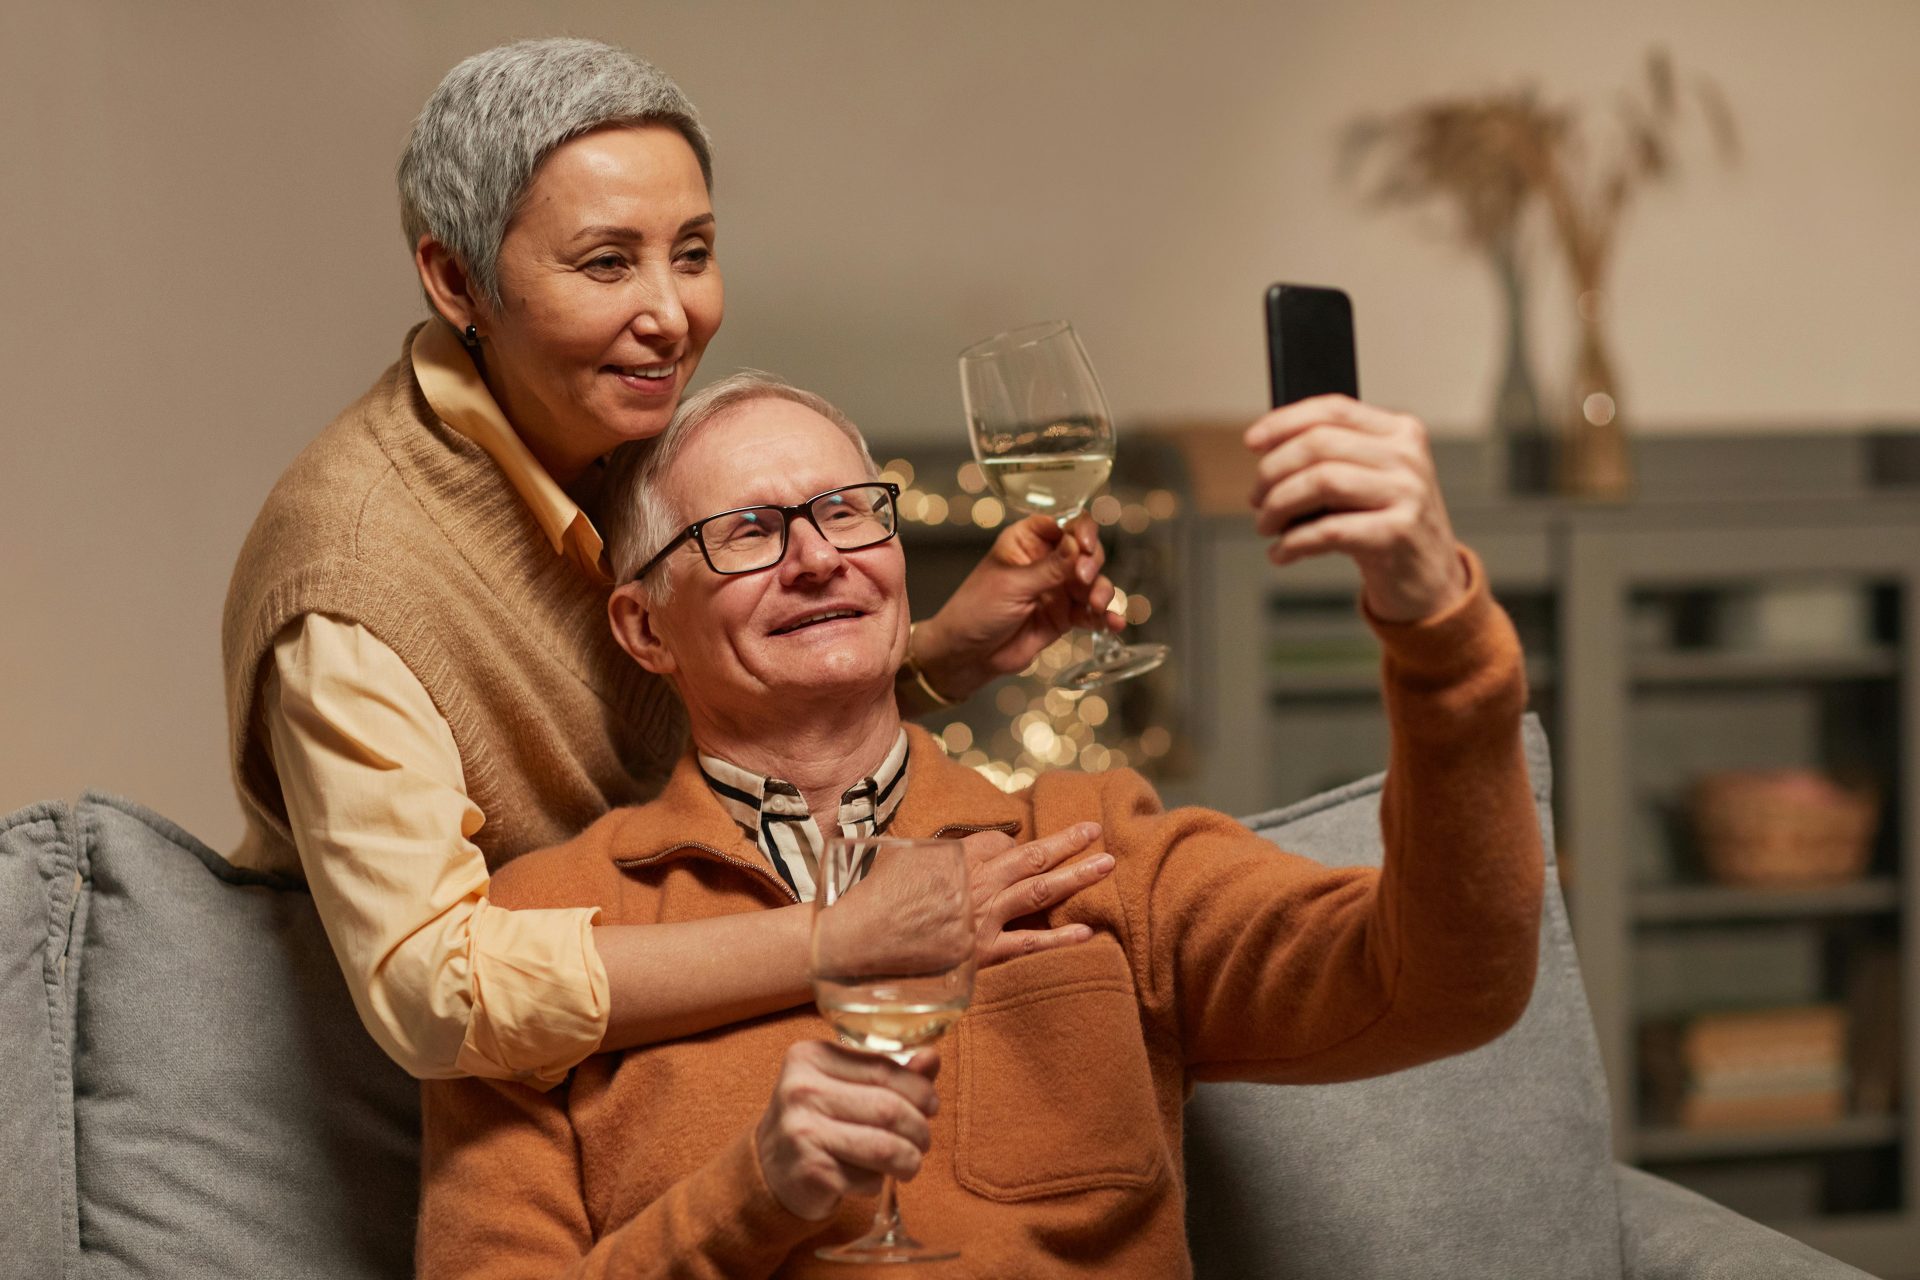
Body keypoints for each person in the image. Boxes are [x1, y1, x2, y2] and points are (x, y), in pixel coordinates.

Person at [415, 373, 1547, 1277]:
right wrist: (750, 1194)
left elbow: (1446, 981)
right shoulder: (541, 942)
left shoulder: (1089, 846)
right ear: (644, 628)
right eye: (749, 531)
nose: (820, 558)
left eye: (848, 511)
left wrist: (1434, 624)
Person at [220, 38, 1120, 1088]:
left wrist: (937, 658)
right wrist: (848, 936)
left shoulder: (609, 427)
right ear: (457, 279)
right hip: (446, 1102)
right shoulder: (350, 573)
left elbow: (692, 728)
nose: (672, 316)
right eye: (607, 264)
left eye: (692, 253)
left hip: (683, 1041)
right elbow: (435, 994)